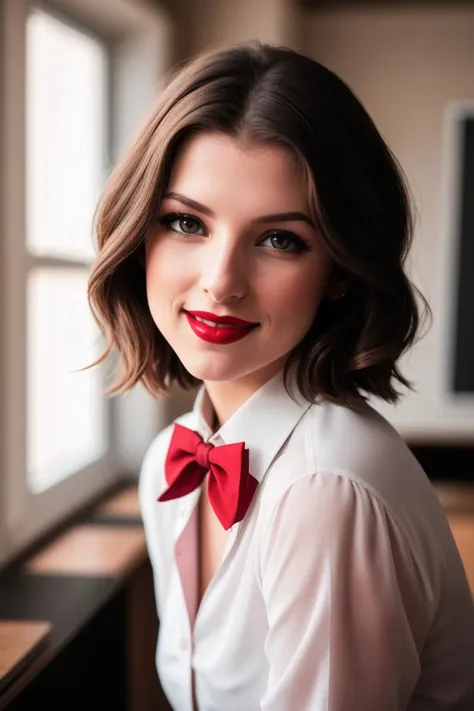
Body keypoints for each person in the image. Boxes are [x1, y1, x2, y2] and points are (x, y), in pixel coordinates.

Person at [87, 42, 474, 711]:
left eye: (279, 239)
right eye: (186, 223)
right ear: (140, 235)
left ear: (340, 272)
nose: (221, 282)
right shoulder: (167, 464)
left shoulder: (325, 489)